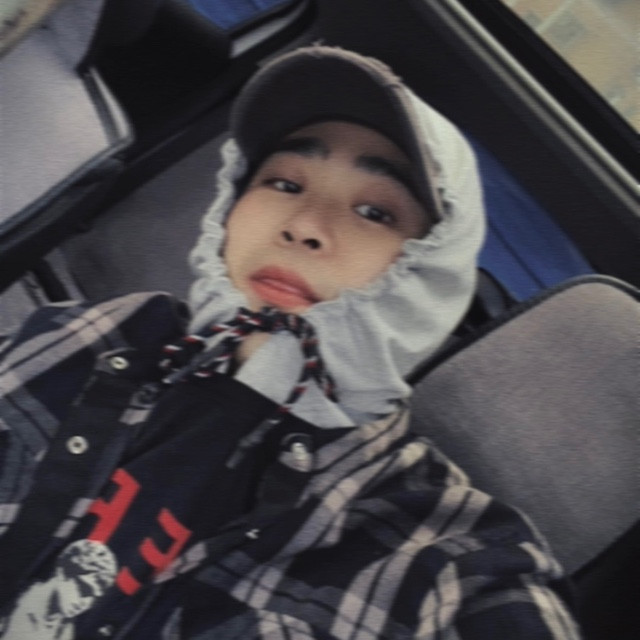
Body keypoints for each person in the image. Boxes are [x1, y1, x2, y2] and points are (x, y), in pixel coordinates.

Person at [0, 46, 581, 638]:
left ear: (437, 266)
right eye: (283, 182)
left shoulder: (444, 556)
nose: (303, 226)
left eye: (374, 212)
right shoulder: (99, 333)